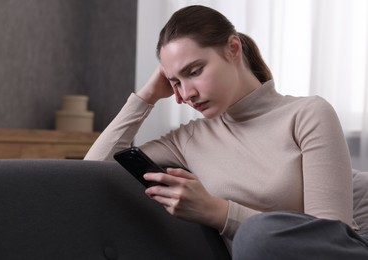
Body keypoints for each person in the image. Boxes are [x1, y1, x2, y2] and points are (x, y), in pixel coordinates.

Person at [84, 5, 368, 259]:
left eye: (194, 71)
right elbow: (89, 175)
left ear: (232, 49)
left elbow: (332, 240)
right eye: (175, 82)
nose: (187, 93)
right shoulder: (187, 139)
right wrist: (145, 98)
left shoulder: (308, 114)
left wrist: (219, 212)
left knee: (258, 235)